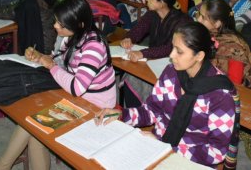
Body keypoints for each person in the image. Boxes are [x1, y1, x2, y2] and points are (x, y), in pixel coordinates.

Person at [0, 0, 116, 170]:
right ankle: (2, 165)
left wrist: (50, 66)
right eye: (56, 20)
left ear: (79, 24)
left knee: (36, 124)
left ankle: (2, 166)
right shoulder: (73, 36)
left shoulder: (94, 45)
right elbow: (59, 61)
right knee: (34, 124)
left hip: (95, 107)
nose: (56, 26)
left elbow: (77, 87)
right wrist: (40, 57)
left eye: (61, 24)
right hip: (77, 98)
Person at [97, 22, 238, 167]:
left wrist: (166, 148)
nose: (171, 55)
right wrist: (121, 115)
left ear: (199, 56)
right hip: (159, 144)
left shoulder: (220, 95)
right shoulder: (171, 73)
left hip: (192, 160)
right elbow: (151, 110)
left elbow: (217, 152)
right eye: (172, 48)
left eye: (179, 51)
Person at [120, 0, 191, 105]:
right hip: (152, 59)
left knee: (134, 77)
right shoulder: (152, 14)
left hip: (172, 64)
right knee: (131, 75)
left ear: (162, 3)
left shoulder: (181, 21)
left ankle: (145, 111)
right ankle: (136, 113)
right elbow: (137, 30)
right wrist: (129, 38)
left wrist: (143, 53)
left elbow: (170, 48)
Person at [196, 0, 251, 88]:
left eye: (203, 17)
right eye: (199, 15)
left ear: (217, 24)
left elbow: (234, 83)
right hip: (211, 84)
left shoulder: (233, 47)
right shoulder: (208, 34)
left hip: (235, 92)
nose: (198, 20)